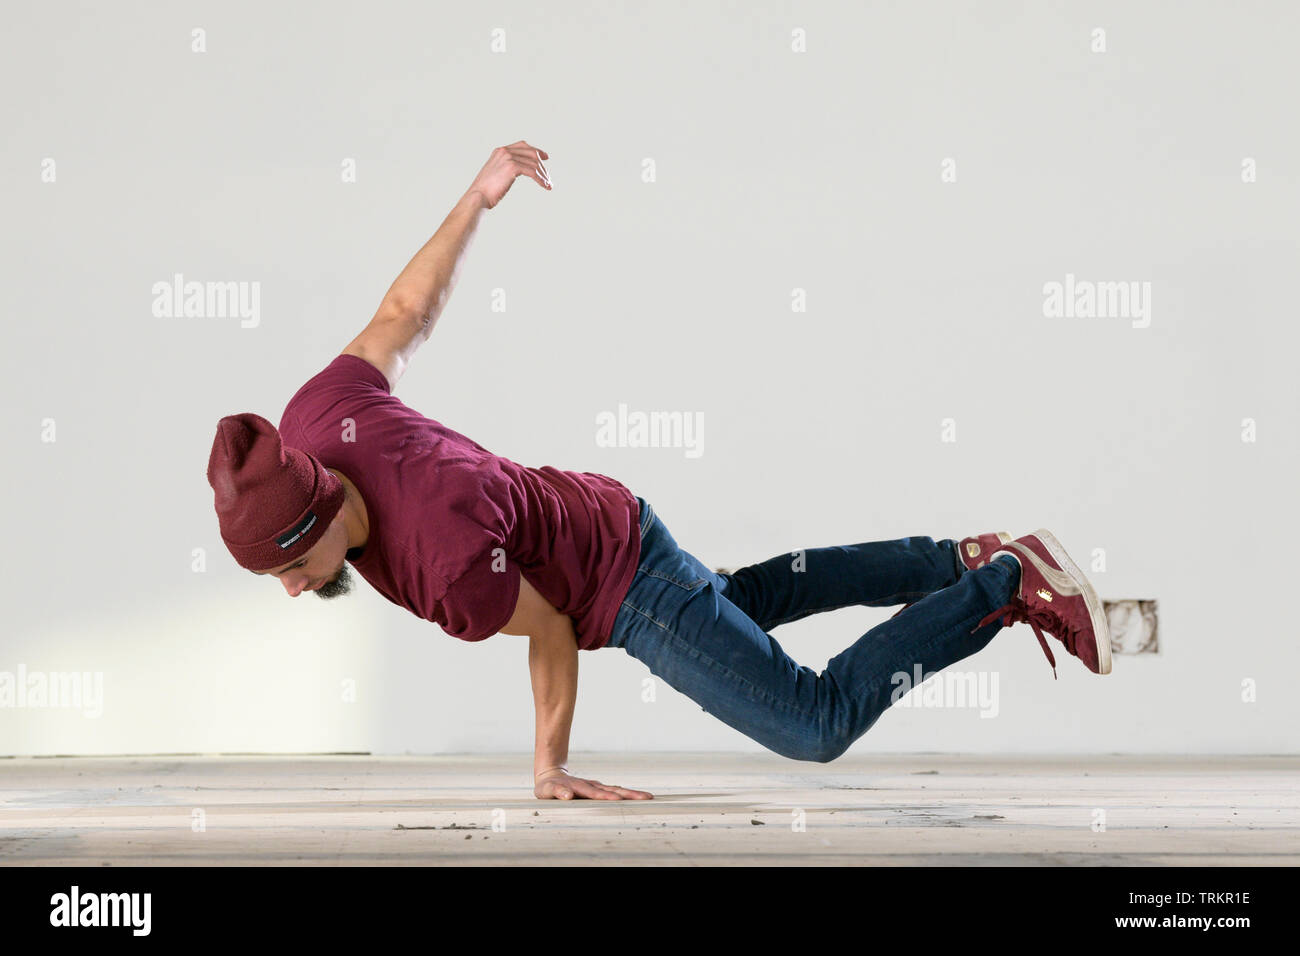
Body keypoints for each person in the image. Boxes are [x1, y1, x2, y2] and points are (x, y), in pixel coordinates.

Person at [207, 141, 1111, 802]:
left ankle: (1002, 580)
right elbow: (408, 310)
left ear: (318, 511)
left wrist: (546, 767)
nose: (293, 590)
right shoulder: (319, 417)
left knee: (813, 722)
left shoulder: (441, 562)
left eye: (291, 567)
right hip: (610, 513)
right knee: (735, 605)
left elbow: (554, 628)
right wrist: (478, 197)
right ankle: (951, 560)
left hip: (619, 583)